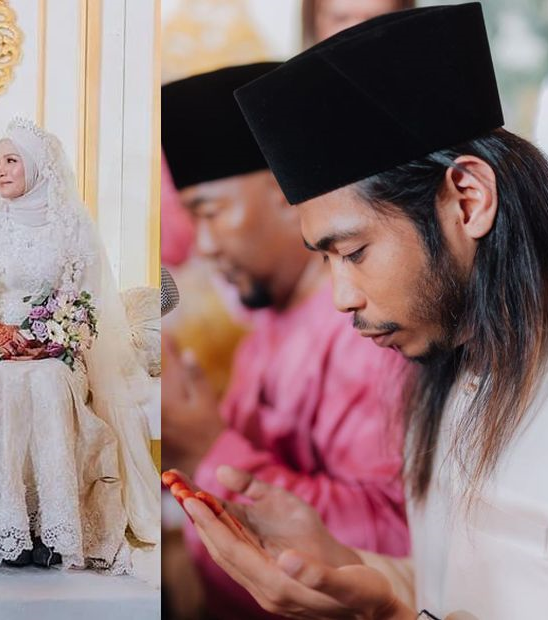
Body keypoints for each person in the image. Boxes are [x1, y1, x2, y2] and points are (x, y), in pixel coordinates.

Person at [186, 3, 548, 617]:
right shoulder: (449, 365)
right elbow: (451, 587)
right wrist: (346, 565)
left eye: (354, 252)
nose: (342, 298)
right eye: (325, 260)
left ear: (467, 201)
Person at [162, 63, 410, 620]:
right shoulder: (267, 323)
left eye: (211, 212)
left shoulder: (367, 329)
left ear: (283, 192)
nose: (204, 246)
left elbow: (396, 540)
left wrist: (205, 449)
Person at [0, 118, 160, 573]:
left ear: (35, 166)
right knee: (5, 386)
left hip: (58, 351)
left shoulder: (71, 223)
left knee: (48, 384)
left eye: (11, 160)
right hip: (3, 350)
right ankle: (12, 531)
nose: (0, 170)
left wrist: (52, 339)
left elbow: (87, 302)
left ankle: (55, 529)